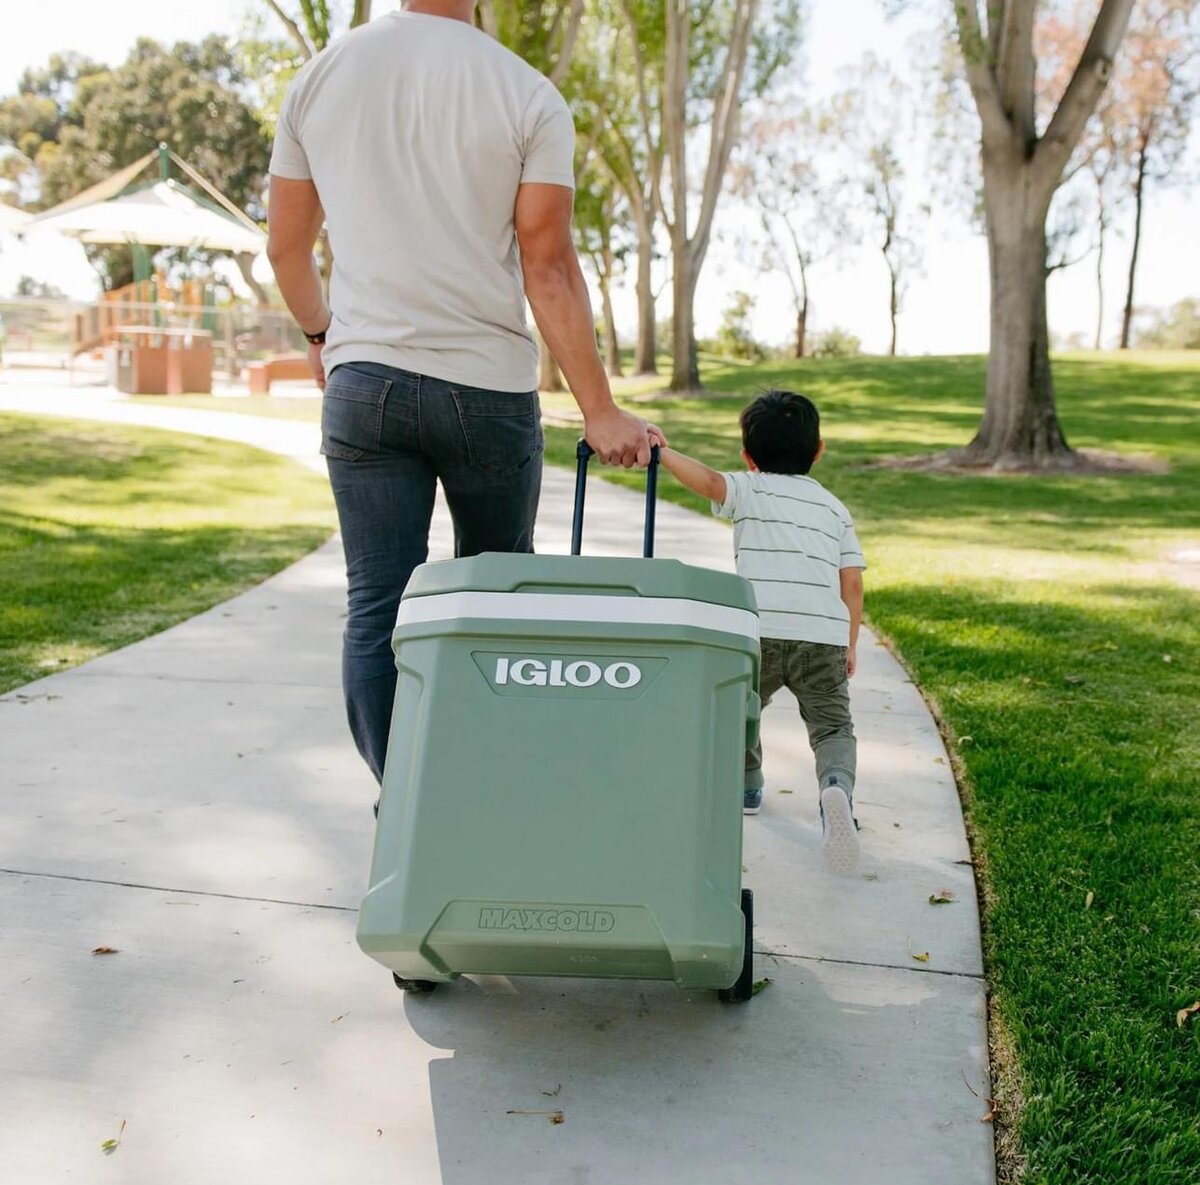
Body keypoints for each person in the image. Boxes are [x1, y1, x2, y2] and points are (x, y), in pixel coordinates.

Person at [266, 0, 662, 785]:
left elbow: (285, 249)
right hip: (486, 392)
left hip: (364, 383)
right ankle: (481, 800)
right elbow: (547, 268)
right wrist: (600, 409)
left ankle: (407, 805)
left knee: (378, 605)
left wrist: (321, 336)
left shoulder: (322, 75)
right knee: (497, 598)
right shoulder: (526, 92)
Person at [658, 391, 866, 874]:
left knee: (743, 713)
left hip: (759, 633)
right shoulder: (835, 509)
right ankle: (835, 788)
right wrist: (850, 642)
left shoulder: (749, 489)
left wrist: (661, 450)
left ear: (747, 457)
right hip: (824, 637)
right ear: (819, 450)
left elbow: (708, 482)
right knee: (832, 727)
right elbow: (851, 582)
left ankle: (748, 785)